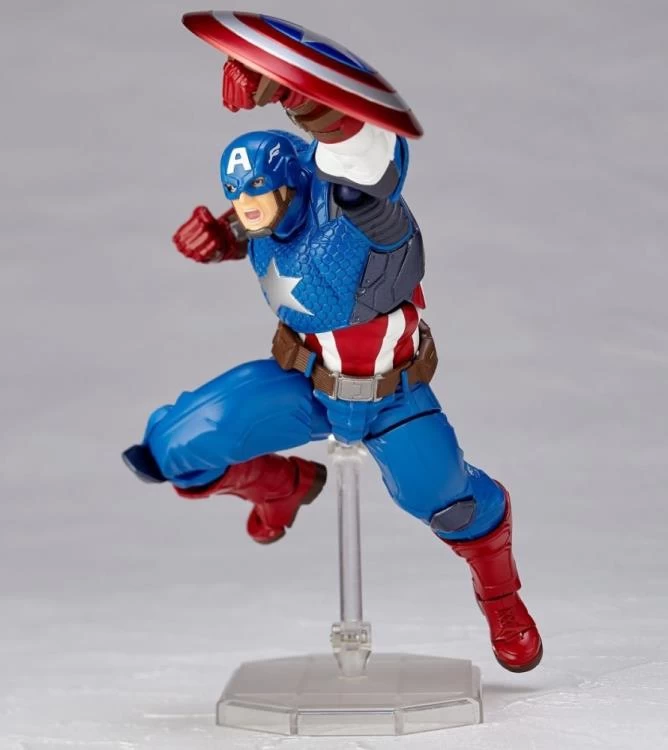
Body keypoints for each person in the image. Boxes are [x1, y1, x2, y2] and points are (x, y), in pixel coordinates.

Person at [123, 59, 543, 672]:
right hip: (305, 385)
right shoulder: (265, 218)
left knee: (449, 501)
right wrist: (219, 238)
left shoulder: (365, 219)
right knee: (174, 445)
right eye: (237, 192)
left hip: (392, 400)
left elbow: (366, 155)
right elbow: (256, 229)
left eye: (256, 189)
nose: (246, 204)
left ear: (299, 181)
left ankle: (501, 597)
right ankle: (281, 487)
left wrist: (290, 88)